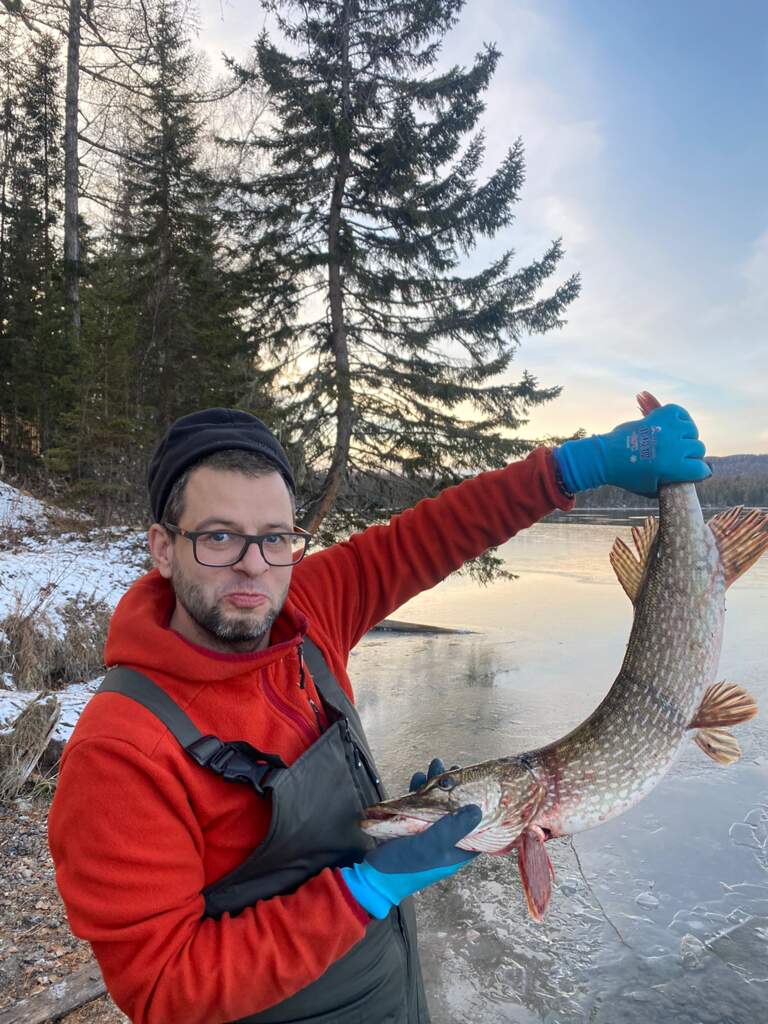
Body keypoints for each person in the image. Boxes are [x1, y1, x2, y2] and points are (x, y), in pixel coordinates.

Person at [48, 402, 710, 1024]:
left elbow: (428, 537)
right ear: (163, 548)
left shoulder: (304, 608)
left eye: (275, 537)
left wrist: (575, 467)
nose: (253, 568)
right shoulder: (120, 751)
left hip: (389, 991)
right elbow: (162, 987)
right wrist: (361, 892)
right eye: (219, 537)